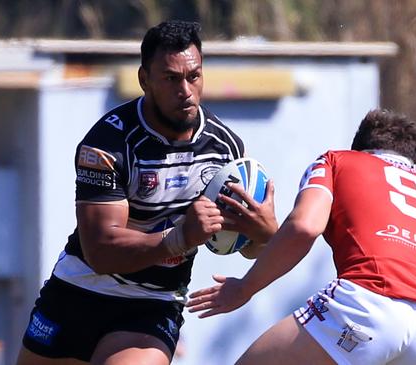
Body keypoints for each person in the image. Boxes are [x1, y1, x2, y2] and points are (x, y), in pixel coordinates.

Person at [16, 20, 277, 365]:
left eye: (193, 76)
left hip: (153, 303)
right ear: (144, 80)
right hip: (80, 289)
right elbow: (102, 252)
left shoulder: (225, 147)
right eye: (171, 78)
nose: (185, 90)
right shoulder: (108, 144)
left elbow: (244, 246)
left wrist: (264, 234)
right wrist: (180, 237)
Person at [186, 109, 416, 365]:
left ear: (360, 148)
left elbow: (304, 227)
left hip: (367, 306)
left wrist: (245, 288)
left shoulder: (338, 161)